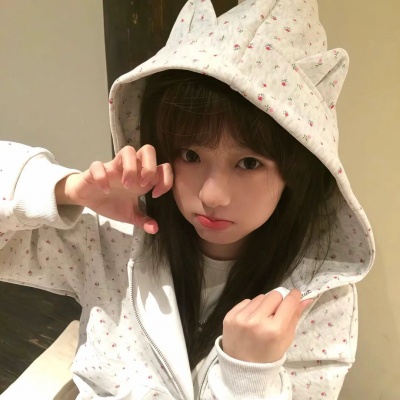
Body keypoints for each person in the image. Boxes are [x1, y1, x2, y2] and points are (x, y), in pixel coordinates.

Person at [0, 0, 375, 399]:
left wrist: (248, 377)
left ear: (295, 172)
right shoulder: (113, 238)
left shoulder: (317, 296)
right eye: (190, 155)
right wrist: (67, 189)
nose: (212, 195)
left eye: (249, 163)